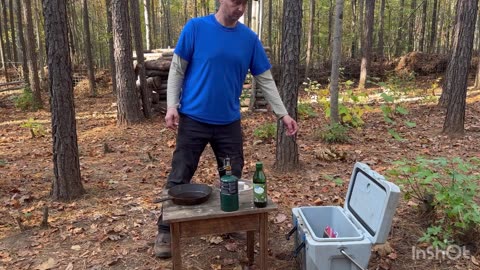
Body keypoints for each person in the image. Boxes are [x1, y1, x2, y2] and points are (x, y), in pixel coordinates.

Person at [154, 0, 299, 259]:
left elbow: (265, 79)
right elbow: (176, 70)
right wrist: (171, 106)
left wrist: (283, 114)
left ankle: (230, 224)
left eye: (245, 3)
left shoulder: (249, 39)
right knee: (180, 173)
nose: (240, 8)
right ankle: (165, 228)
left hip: (228, 123)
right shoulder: (196, 28)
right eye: (236, 1)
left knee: (232, 176)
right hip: (193, 119)